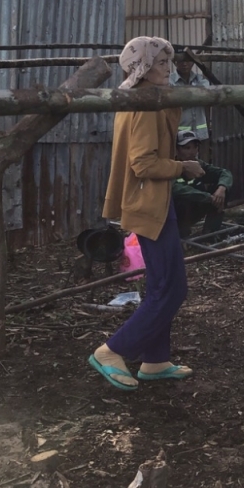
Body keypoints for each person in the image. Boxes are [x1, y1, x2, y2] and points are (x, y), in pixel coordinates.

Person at [91, 36, 205, 391]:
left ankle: (155, 360)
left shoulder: (144, 99)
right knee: (172, 288)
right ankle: (111, 350)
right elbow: (142, 164)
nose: (168, 69)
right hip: (147, 201)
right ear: (141, 69)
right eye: (160, 63)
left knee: (160, 284)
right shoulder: (143, 105)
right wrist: (183, 166)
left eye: (169, 63)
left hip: (155, 200)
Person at [172, 130, 234, 237]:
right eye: (187, 148)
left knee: (221, 191)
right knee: (182, 201)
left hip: (196, 207)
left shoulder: (199, 164)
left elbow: (224, 173)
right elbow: (177, 189)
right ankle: (181, 235)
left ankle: (210, 233)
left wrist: (222, 188)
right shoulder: (171, 167)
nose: (192, 152)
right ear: (177, 150)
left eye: (195, 147)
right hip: (177, 215)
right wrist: (208, 197)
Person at [171, 54, 213, 158]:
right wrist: (196, 96)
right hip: (179, 132)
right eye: (181, 61)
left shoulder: (200, 79)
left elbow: (207, 96)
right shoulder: (170, 81)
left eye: (188, 61)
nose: (184, 64)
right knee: (177, 159)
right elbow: (175, 101)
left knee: (196, 161)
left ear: (193, 62)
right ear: (175, 63)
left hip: (198, 131)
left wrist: (185, 97)